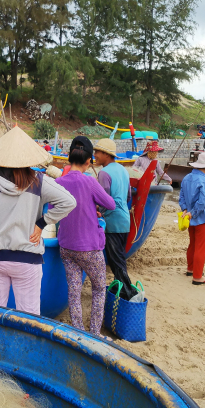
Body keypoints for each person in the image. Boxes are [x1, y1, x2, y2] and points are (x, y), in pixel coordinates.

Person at [0, 126, 76, 315]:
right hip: (27, 258)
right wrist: (42, 223)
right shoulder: (38, 180)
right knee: (29, 318)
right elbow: (69, 202)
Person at [55, 136, 116, 337]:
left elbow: (51, 209)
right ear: (89, 161)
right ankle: (95, 334)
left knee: (74, 292)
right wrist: (93, 206)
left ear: (69, 157)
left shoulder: (58, 182)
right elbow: (111, 204)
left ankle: (78, 332)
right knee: (99, 289)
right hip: (89, 247)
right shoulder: (90, 182)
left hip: (66, 247)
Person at [94, 138, 136, 300]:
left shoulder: (104, 173)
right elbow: (127, 196)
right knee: (119, 259)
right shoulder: (123, 170)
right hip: (124, 220)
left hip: (112, 222)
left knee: (116, 262)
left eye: (97, 152)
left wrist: (98, 210)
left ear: (106, 154)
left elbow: (103, 199)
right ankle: (123, 291)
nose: (95, 155)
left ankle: (127, 295)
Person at [179, 152, 205, 286]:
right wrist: (193, 212)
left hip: (190, 218)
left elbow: (181, 196)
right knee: (201, 248)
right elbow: (203, 201)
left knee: (193, 245)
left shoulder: (187, 177)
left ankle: (191, 269)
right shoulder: (204, 180)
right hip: (203, 218)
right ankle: (197, 276)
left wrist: (186, 210)